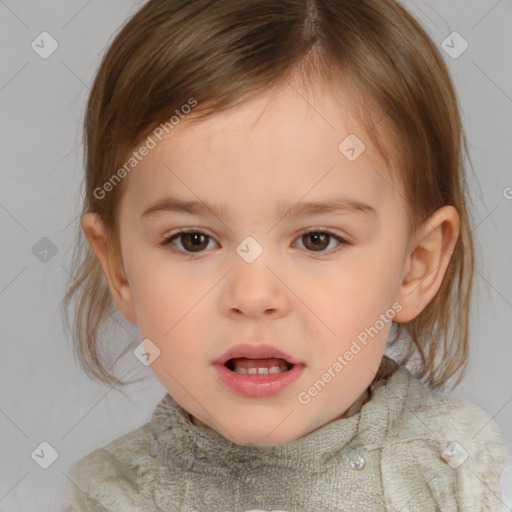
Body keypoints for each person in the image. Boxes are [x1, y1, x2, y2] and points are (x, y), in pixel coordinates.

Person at [60, 0, 509, 510]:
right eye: (193, 240)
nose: (253, 296)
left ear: (416, 266)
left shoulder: (467, 474)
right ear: (119, 267)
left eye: (317, 239)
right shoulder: (112, 496)